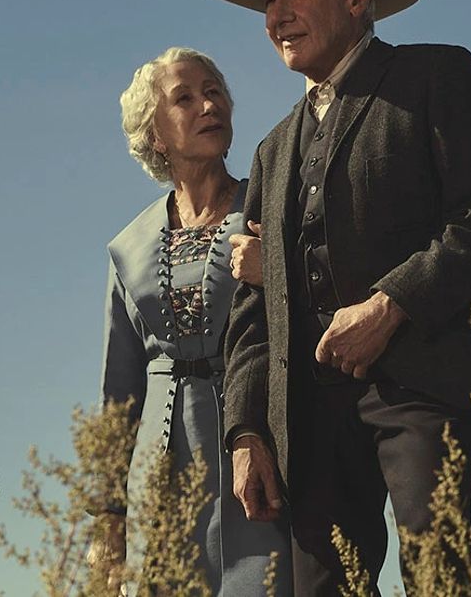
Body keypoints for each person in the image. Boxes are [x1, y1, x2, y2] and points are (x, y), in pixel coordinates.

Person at [210, 0, 471, 595]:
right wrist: (244, 432)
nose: (277, 16)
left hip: (420, 387)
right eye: (268, 1)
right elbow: (252, 315)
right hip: (308, 417)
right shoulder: (270, 152)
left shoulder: (436, 77)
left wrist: (389, 305)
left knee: (440, 573)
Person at [94, 47, 292, 595]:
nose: (209, 104)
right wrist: (109, 516)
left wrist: (274, 268)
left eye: (214, 91)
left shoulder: (270, 208)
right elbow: (119, 393)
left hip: (259, 445)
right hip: (157, 470)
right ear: (155, 134)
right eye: (185, 98)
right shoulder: (127, 248)